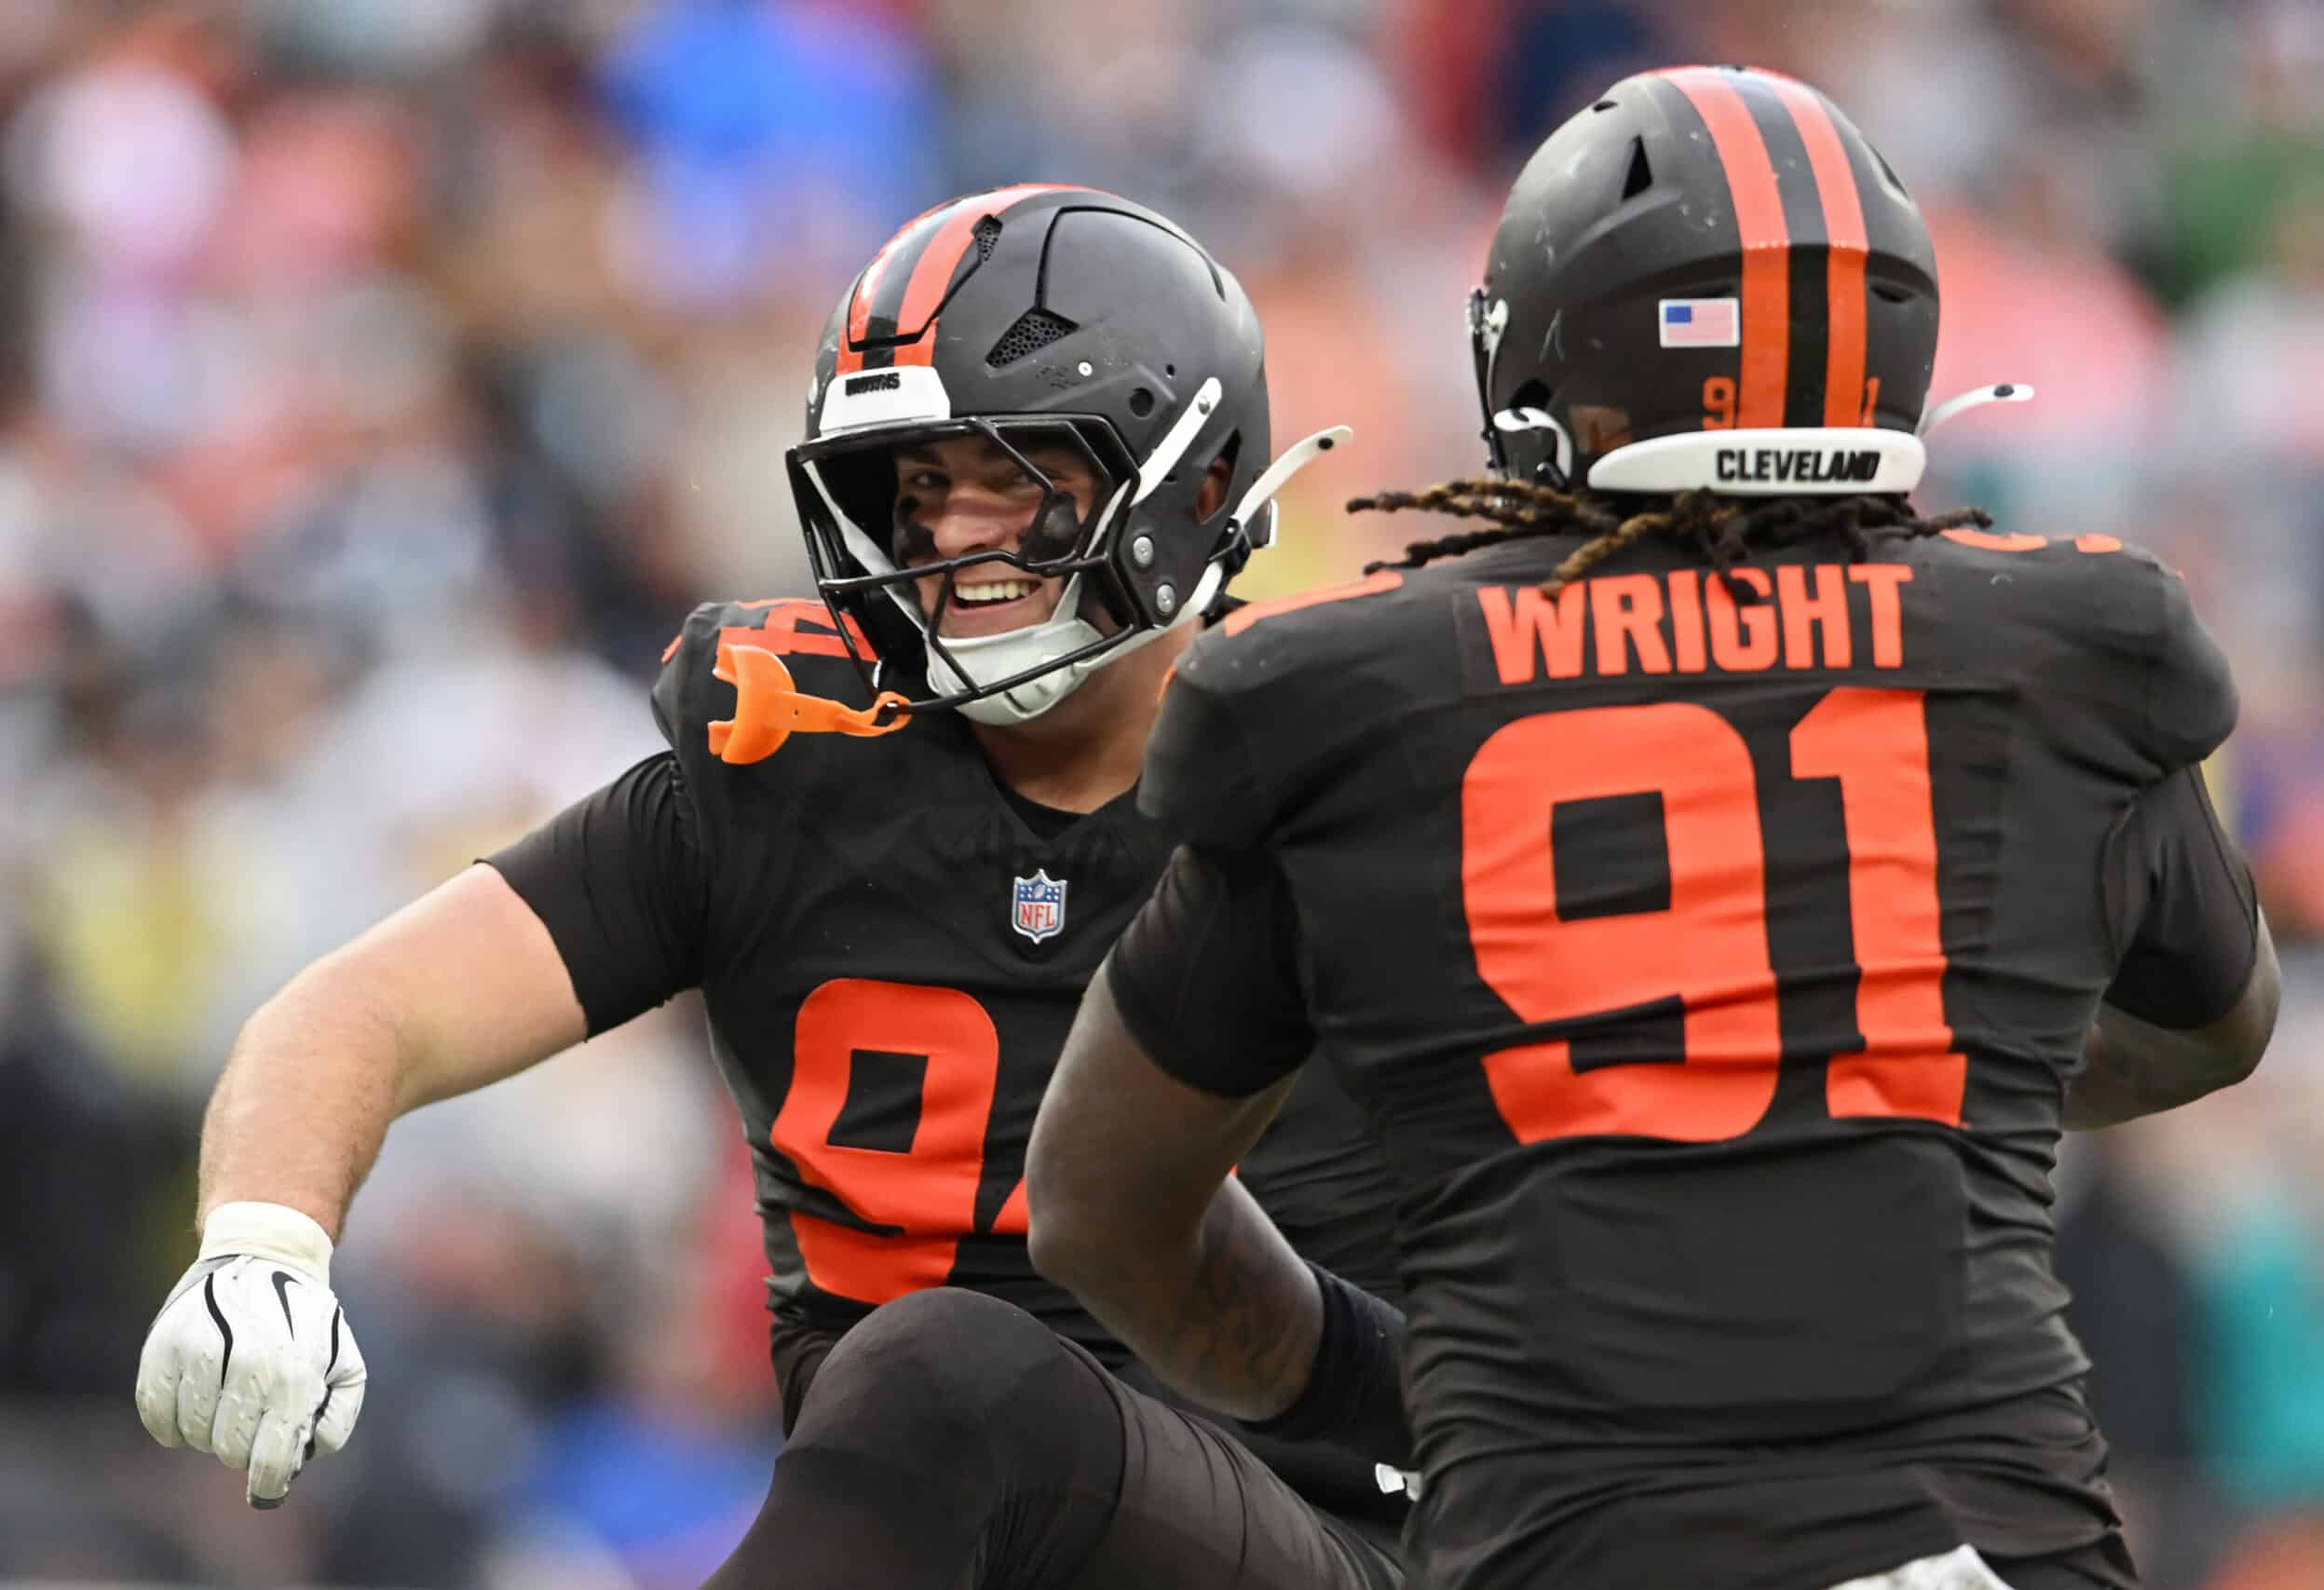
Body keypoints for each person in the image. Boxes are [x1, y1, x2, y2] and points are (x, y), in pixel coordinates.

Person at [1026, 66, 2282, 1590]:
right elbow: (2217, 1027)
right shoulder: (2068, 646)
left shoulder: (1345, 693)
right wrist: (1864, 1059)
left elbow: (1101, 1208)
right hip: (1994, 1547)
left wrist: (1388, 1388)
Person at [132, 183, 1406, 1590]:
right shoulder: (790, 769)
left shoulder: (1352, 792)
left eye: (1024, 477)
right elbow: (357, 1013)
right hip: (922, 1541)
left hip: (1315, 1533)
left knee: (953, 1363)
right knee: (936, 1378)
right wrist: (262, 1240)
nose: (956, 543)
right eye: (920, 490)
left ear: (1196, 484)